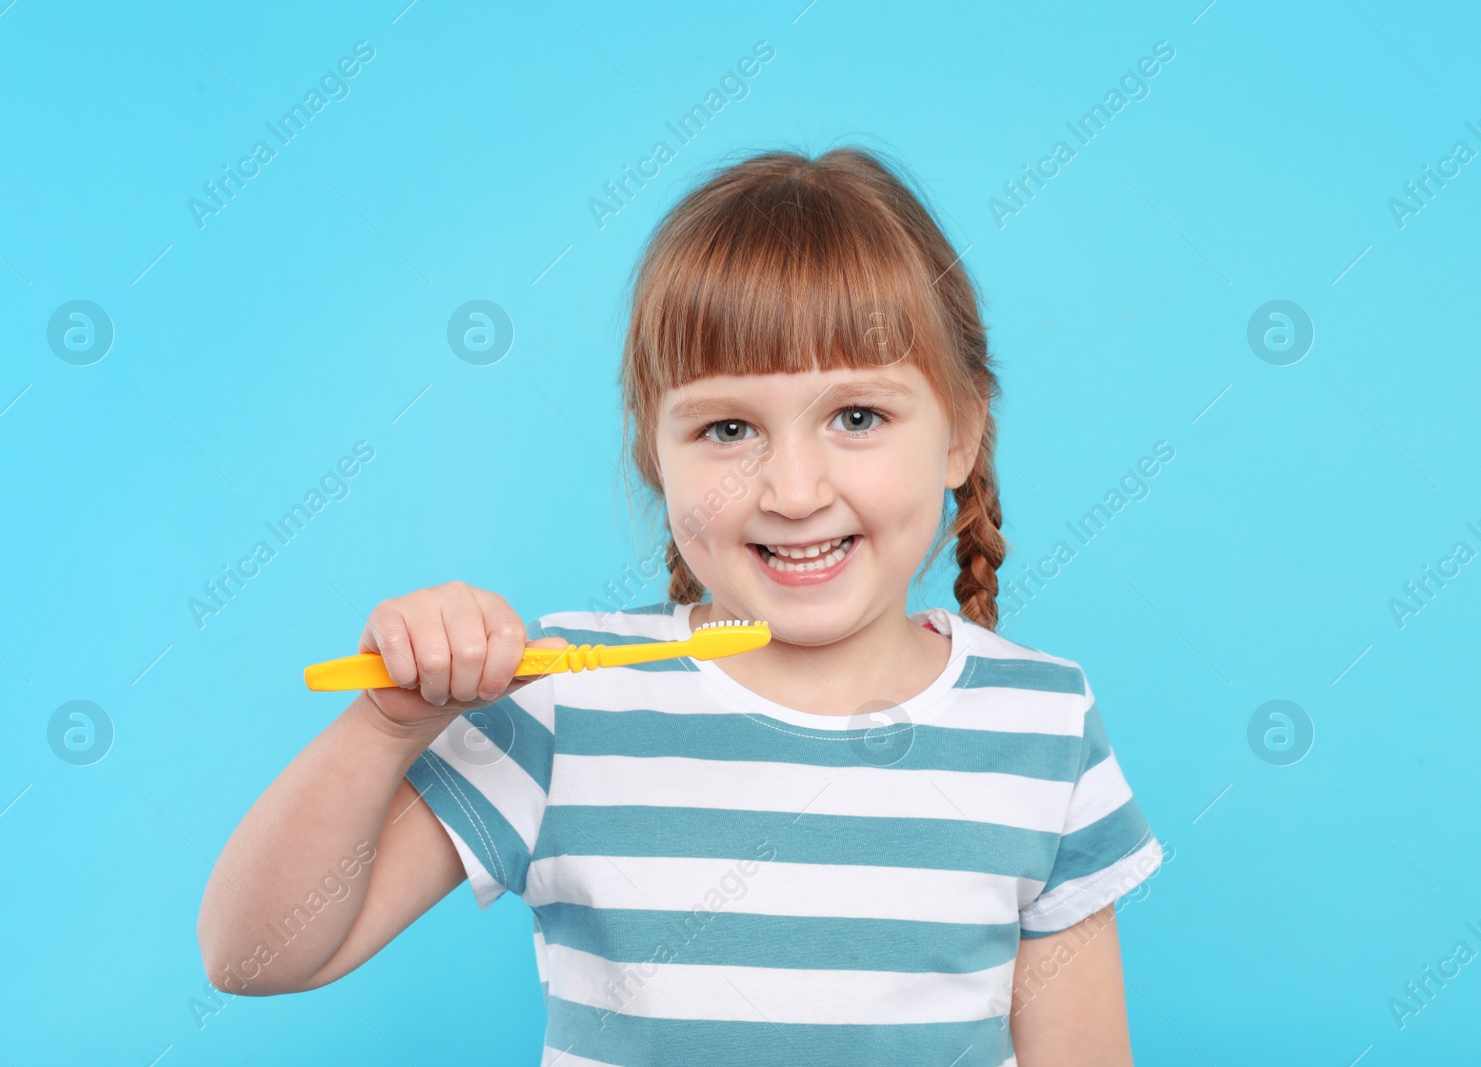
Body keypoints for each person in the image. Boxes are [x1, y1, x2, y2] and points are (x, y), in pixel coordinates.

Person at [198, 146, 1163, 1066]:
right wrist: (385, 724)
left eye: (857, 416)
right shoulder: (561, 703)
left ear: (960, 436)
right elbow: (255, 957)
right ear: (656, 456)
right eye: (728, 427)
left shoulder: (1044, 723)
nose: (792, 488)